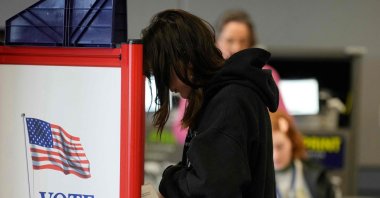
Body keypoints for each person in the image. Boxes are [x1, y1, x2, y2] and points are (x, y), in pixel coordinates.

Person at [142, 9, 279, 198]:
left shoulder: (229, 101)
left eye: (162, 70)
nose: (165, 84)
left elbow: (212, 189)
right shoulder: (221, 97)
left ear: (184, 60)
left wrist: (170, 181)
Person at [172, 9, 287, 145]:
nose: (236, 48)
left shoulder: (266, 75)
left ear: (251, 44)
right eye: (229, 40)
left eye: (243, 41)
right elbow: (181, 127)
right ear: (217, 42)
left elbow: (283, 119)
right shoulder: (204, 75)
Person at [270, 110, 335, 198]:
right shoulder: (255, 180)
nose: (275, 156)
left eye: (280, 147)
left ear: (292, 142)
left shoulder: (317, 174)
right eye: (270, 149)